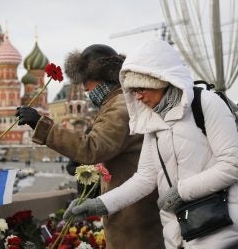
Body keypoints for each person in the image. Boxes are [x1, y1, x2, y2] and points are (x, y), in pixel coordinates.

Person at [63, 40, 238, 249]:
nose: (138, 96)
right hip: (180, 235)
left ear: (161, 79)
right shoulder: (153, 121)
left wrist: (181, 191)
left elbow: (232, 164)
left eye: (141, 88)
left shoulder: (207, 103)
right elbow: (145, 178)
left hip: (220, 230)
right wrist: (100, 204)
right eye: (133, 90)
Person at [15, 44, 164, 249]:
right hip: (131, 207)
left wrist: (41, 125)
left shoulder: (119, 106)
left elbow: (93, 148)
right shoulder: (116, 102)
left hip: (134, 216)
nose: (84, 89)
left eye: (86, 81)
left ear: (101, 77)